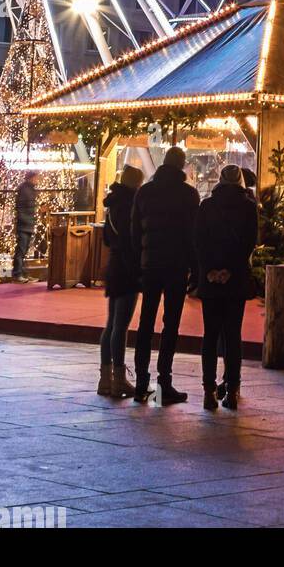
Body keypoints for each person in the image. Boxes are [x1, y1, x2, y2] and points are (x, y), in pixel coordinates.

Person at [130, 146, 200, 405]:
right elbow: (193, 235)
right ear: (181, 166)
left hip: (151, 264)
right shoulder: (188, 195)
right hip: (176, 265)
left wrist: (141, 259)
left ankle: (140, 383)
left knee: (146, 323)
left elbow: (135, 232)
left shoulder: (145, 192)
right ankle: (164, 382)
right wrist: (195, 268)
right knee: (170, 324)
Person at [194, 164, 258, 411]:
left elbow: (198, 241)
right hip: (235, 279)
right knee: (233, 335)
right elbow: (248, 243)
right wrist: (230, 270)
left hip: (210, 281)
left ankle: (208, 391)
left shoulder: (207, 206)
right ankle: (232, 390)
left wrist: (210, 269)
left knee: (210, 336)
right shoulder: (248, 208)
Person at [98, 165, 144, 399]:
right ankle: (119, 378)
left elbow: (107, 238)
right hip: (127, 269)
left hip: (114, 267)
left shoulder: (113, 203)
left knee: (110, 324)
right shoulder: (130, 205)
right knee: (121, 325)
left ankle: (105, 377)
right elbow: (132, 240)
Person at [12, 171, 39, 281]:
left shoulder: (30, 189)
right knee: (21, 250)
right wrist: (25, 220)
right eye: (36, 178)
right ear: (31, 178)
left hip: (28, 224)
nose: (38, 180)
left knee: (24, 250)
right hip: (24, 225)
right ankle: (18, 274)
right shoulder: (25, 190)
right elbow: (21, 207)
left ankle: (22, 273)